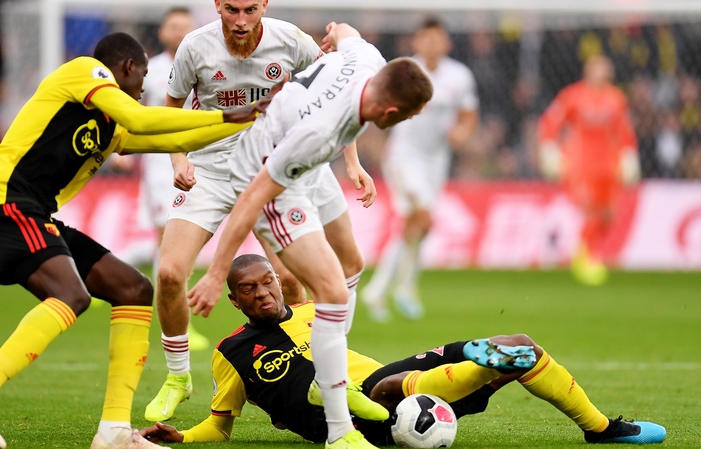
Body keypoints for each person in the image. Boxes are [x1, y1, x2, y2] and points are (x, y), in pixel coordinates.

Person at [0, 31, 269, 449]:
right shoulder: (84, 72)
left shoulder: (112, 125)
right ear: (127, 67)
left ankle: (113, 431)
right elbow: (144, 120)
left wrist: (250, 120)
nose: (145, 86)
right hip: (2, 201)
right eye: (144, 74)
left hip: (34, 212)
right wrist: (229, 117)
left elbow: (176, 138)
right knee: (70, 295)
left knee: (132, 289)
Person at [187, 22, 433, 449]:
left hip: (304, 162)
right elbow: (250, 199)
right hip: (264, 173)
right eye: (409, 117)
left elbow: (346, 33)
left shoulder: (366, 60)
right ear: (392, 113)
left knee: (352, 263)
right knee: (333, 293)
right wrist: (215, 273)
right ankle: (339, 429)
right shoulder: (319, 133)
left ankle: (328, 373)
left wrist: (335, 32)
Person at [141, 254, 667, 446]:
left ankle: (600, 429)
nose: (262, 293)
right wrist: (182, 438)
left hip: (385, 382)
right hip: (352, 418)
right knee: (393, 390)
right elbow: (220, 425)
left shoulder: (313, 312)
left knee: (520, 345)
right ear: (233, 300)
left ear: (279, 285)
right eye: (250, 290)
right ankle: (476, 365)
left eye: (267, 284)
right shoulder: (232, 350)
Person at [147, 0, 377, 424]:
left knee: (290, 281)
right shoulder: (194, 48)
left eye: (249, 9)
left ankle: (314, 377)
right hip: (210, 171)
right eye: (231, 9)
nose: (239, 20)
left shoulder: (291, 40)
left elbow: (335, 93)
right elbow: (170, 111)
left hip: (271, 168)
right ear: (216, 4)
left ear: (264, 6)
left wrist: (352, 162)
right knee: (169, 274)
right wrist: (179, 161)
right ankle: (178, 377)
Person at [362, 19, 478, 322]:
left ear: (446, 43)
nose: (432, 45)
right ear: (416, 42)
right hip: (404, 158)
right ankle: (400, 287)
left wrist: (462, 133)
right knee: (422, 219)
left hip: (436, 162)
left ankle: (387, 288)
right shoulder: (403, 72)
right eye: (426, 39)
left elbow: (468, 115)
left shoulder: (459, 76)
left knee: (416, 226)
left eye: (437, 39)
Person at [136, 7, 210, 352]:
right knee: (168, 236)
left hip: (196, 161)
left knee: (168, 238)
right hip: (158, 165)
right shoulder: (150, 72)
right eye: (173, 26)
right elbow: (134, 111)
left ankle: (164, 310)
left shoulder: (206, 63)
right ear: (162, 32)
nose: (180, 32)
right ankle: (176, 319)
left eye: (186, 26)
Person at [538, 55, 639, 286]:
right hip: (580, 163)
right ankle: (585, 256)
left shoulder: (616, 98)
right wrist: (550, 150)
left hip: (608, 164)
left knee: (608, 213)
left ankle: (587, 252)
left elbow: (624, 130)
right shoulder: (572, 96)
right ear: (587, 71)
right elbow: (550, 122)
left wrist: (628, 156)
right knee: (591, 209)